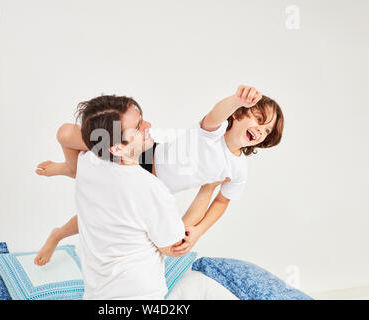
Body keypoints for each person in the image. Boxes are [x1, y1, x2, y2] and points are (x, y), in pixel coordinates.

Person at [34, 85, 284, 264]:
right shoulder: (212, 132)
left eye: (267, 130)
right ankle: (71, 168)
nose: (261, 130)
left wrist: (198, 231)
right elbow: (217, 112)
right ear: (239, 114)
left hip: (157, 185)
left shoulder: (238, 169)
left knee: (103, 214)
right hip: (144, 154)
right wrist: (238, 99)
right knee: (66, 133)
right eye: (258, 119)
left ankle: (58, 233)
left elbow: (222, 202)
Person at [35, 95, 222, 299]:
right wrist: (209, 188)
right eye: (139, 126)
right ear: (116, 148)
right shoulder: (151, 189)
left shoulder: (90, 161)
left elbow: (67, 133)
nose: (149, 125)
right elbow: (174, 248)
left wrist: (72, 164)